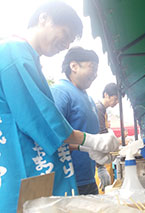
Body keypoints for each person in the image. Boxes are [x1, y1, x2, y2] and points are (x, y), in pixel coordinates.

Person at [0, 2, 118, 211]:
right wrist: (90, 140)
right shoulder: (13, 52)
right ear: (44, 18)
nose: (65, 45)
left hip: (35, 171)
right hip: (19, 169)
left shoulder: (29, 58)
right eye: (65, 35)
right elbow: (42, 120)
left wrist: (85, 147)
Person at [51, 46, 110, 195]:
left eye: (97, 70)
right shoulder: (61, 92)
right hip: (69, 181)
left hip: (88, 178)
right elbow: (52, 136)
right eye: (92, 68)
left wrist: (100, 166)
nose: (95, 74)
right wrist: (84, 147)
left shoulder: (88, 98)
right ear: (74, 66)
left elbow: (92, 136)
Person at [95, 83, 119, 192]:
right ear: (106, 95)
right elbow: (100, 136)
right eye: (115, 99)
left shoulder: (103, 110)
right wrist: (100, 166)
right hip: (97, 159)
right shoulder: (98, 108)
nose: (116, 102)